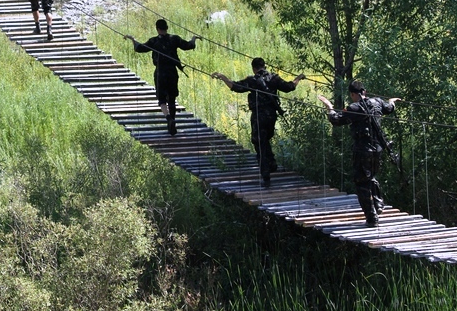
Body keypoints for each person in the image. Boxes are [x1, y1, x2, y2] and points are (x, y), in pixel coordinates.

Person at [318, 81, 400, 227]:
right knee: (371, 177)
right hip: (378, 150)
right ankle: (378, 204)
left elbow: (336, 120)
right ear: (365, 91)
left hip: (363, 151)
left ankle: (372, 218)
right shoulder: (378, 102)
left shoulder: (354, 108)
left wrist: (329, 107)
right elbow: (389, 108)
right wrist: (391, 101)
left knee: (361, 183)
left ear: (352, 94)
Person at [212, 58, 305, 187]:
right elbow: (290, 87)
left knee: (259, 143)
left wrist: (222, 77)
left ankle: (266, 175)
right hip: (271, 116)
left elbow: (235, 86)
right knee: (265, 139)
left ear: (254, 68)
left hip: (259, 116)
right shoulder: (274, 78)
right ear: (264, 66)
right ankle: (271, 163)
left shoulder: (252, 80)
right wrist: (299, 77)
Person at [124, 19, 199, 135]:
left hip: (160, 72)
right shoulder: (175, 39)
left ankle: (168, 118)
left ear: (157, 29)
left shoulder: (153, 41)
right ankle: (173, 121)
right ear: (167, 28)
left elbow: (140, 48)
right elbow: (188, 46)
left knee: (162, 99)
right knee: (172, 98)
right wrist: (194, 38)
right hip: (172, 72)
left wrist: (133, 39)